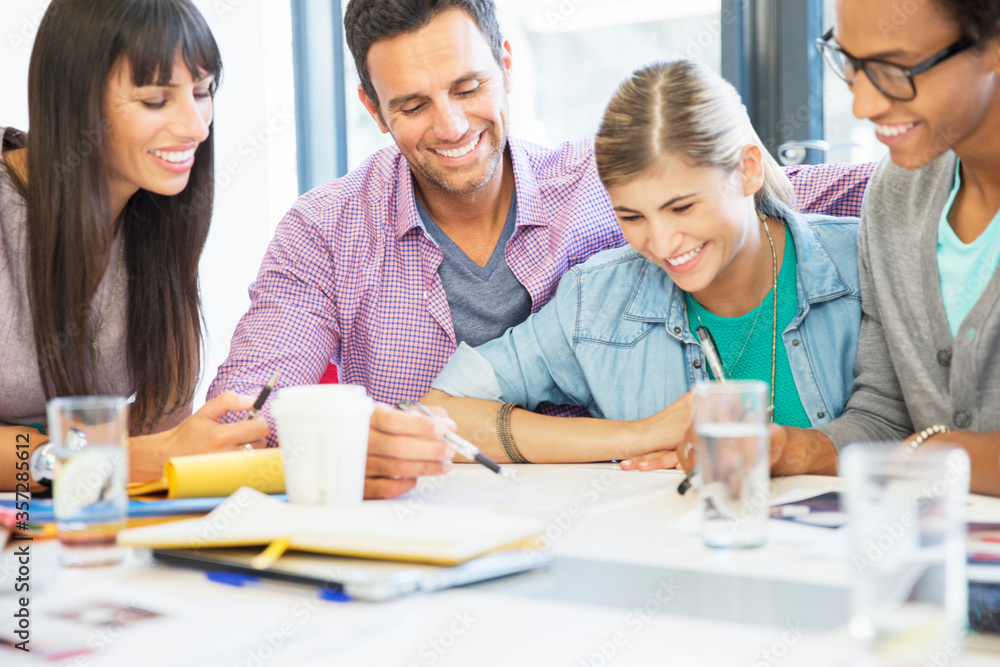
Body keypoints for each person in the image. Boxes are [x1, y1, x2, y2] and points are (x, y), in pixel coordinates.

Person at [208, 0, 873, 496]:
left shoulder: (600, 180)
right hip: (421, 533)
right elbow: (245, 413)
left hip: (596, 523)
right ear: (372, 107)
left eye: (467, 88)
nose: (452, 126)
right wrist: (335, 438)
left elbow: (793, 194)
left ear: (504, 65)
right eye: (411, 106)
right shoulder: (324, 230)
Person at [419, 58, 863, 466]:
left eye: (683, 207)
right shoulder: (596, 303)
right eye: (632, 217)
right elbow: (443, 411)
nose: (664, 243)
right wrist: (646, 434)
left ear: (747, 170)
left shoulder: (863, 269)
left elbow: (909, 433)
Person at [714, 0, 1000, 496]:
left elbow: (928, 450)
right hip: (930, 556)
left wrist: (940, 455)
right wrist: (794, 450)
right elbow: (886, 415)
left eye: (893, 68)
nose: (862, 105)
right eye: (851, 63)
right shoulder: (896, 193)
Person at [0, 0, 269, 491]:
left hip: (84, 521)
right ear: (73, 99)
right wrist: (104, 459)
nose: (196, 126)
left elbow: (158, 429)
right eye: (154, 100)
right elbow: (141, 452)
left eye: (203, 91)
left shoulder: (159, 214)